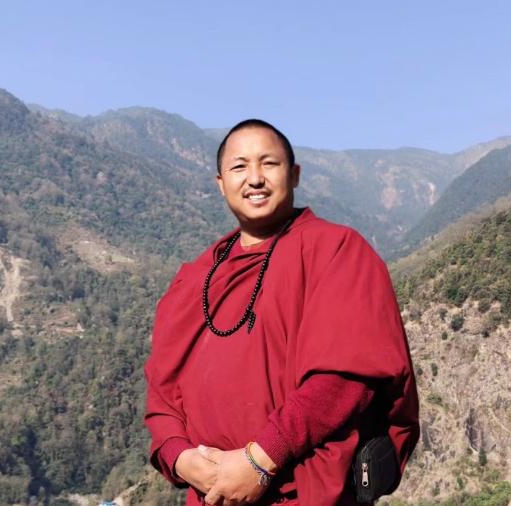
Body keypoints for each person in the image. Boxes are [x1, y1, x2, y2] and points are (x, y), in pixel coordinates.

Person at [143, 119, 420, 505]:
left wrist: (260, 460)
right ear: (220, 183)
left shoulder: (336, 250)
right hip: (211, 494)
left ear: (295, 174)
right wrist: (182, 459)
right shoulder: (193, 281)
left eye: (269, 163)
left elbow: (345, 378)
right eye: (239, 167)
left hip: (307, 492)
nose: (255, 178)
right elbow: (162, 396)